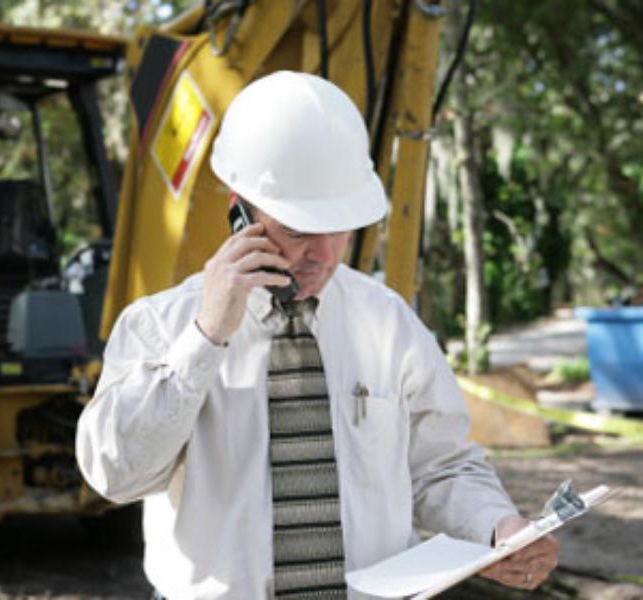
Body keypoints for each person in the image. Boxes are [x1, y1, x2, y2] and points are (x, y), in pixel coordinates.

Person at [76, 71, 558, 599]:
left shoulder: (389, 324)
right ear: (239, 210)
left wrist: (499, 527)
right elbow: (114, 475)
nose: (324, 256)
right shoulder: (160, 325)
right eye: (299, 230)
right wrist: (205, 338)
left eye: (340, 228)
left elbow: (440, 464)